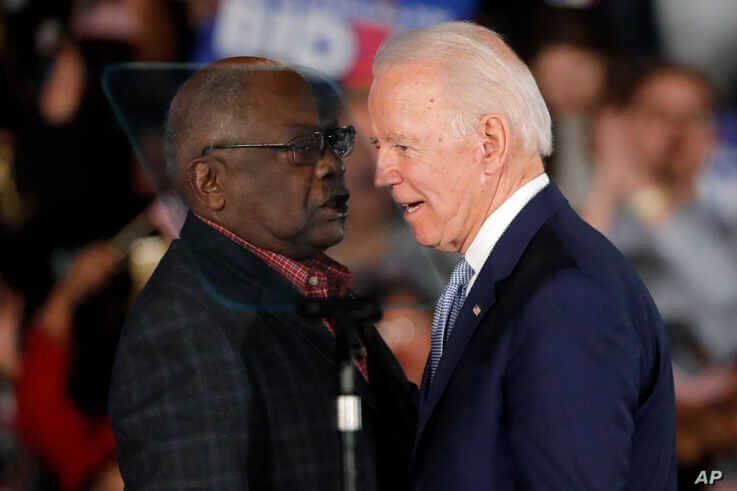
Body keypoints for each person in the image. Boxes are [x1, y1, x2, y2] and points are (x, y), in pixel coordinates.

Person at [368, 22, 676, 490]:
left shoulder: (566, 298)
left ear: (489, 143)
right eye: (379, 147)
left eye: (403, 146)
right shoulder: (504, 272)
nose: (381, 174)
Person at [109, 58, 415, 490]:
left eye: (333, 140)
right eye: (301, 148)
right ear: (211, 182)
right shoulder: (186, 327)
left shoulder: (317, 288)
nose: (330, 164)